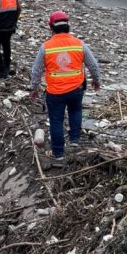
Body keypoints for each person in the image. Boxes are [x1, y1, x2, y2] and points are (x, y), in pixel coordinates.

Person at [29, 10, 101, 167]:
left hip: (55, 93)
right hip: (76, 89)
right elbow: (93, 65)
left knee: (56, 121)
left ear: (51, 28)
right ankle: (74, 140)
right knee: (75, 112)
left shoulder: (46, 47)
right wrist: (96, 81)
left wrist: (33, 89)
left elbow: (36, 70)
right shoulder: (79, 44)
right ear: (68, 26)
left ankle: (58, 154)